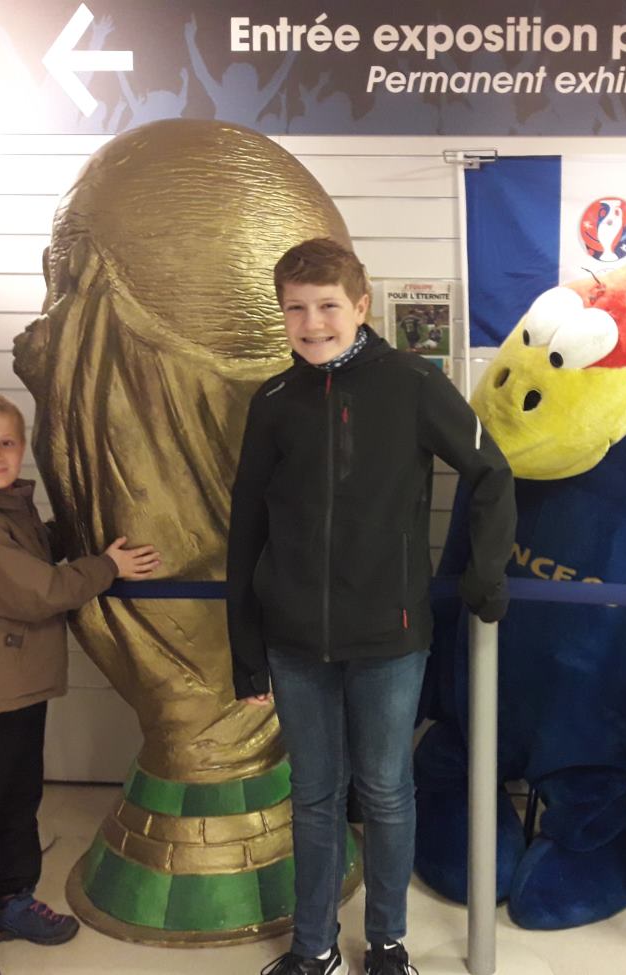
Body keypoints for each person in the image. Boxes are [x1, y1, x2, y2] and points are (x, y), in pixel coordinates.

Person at [227, 238, 515, 975]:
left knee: (386, 792)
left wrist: (485, 575)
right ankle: (314, 946)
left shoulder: (412, 382)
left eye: (327, 306)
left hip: (390, 636)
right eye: (296, 308)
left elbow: (490, 471)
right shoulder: (273, 401)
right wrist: (245, 644)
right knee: (314, 796)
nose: (312, 323)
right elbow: (247, 526)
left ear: (361, 306)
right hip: (295, 641)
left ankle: (387, 943)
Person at [0, 389, 160, 975]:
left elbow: (39, 551)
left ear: (22, 446)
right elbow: (37, 591)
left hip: (19, 686)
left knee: (18, 801)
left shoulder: (4, 507)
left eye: (6, 442)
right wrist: (108, 567)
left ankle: (10, 901)